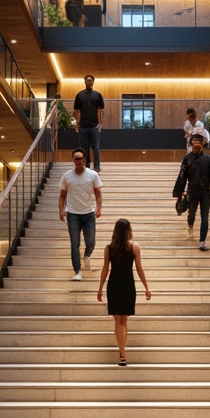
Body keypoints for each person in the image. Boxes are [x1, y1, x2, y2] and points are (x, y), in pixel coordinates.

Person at [97, 218, 151, 366]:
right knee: (124, 319)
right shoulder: (135, 247)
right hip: (128, 283)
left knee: (117, 319)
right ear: (129, 230)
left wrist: (100, 288)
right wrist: (146, 287)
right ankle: (122, 352)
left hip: (114, 283)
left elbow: (105, 269)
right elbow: (139, 268)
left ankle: (122, 353)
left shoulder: (109, 248)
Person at [58, 148, 102, 281]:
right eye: (76, 158)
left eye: (80, 158)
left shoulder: (93, 175)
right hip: (72, 214)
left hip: (88, 213)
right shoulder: (66, 176)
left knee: (91, 241)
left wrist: (99, 208)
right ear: (73, 160)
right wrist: (61, 210)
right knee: (74, 244)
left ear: (84, 160)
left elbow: (98, 194)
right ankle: (77, 271)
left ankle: (87, 254)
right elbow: (62, 195)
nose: (78, 161)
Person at [172, 134, 210, 251]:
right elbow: (182, 176)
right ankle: (190, 227)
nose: (196, 144)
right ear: (191, 144)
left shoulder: (208, 159)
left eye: (198, 142)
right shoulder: (187, 158)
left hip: (205, 192)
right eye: (194, 142)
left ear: (202, 144)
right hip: (192, 191)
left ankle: (202, 241)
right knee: (191, 214)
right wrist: (179, 192)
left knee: (205, 217)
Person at [72, 74, 104, 171]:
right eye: (87, 80)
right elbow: (76, 111)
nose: (89, 81)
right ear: (84, 81)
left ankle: (97, 167)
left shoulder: (98, 95)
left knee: (96, 148)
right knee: (84, 149)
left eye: (90, 80)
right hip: (83, 127)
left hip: (94, 126)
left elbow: (100, 111)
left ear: (93, 82)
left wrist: (100, 124)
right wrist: (77, 124)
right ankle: (86, 167)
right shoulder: (79, 95)